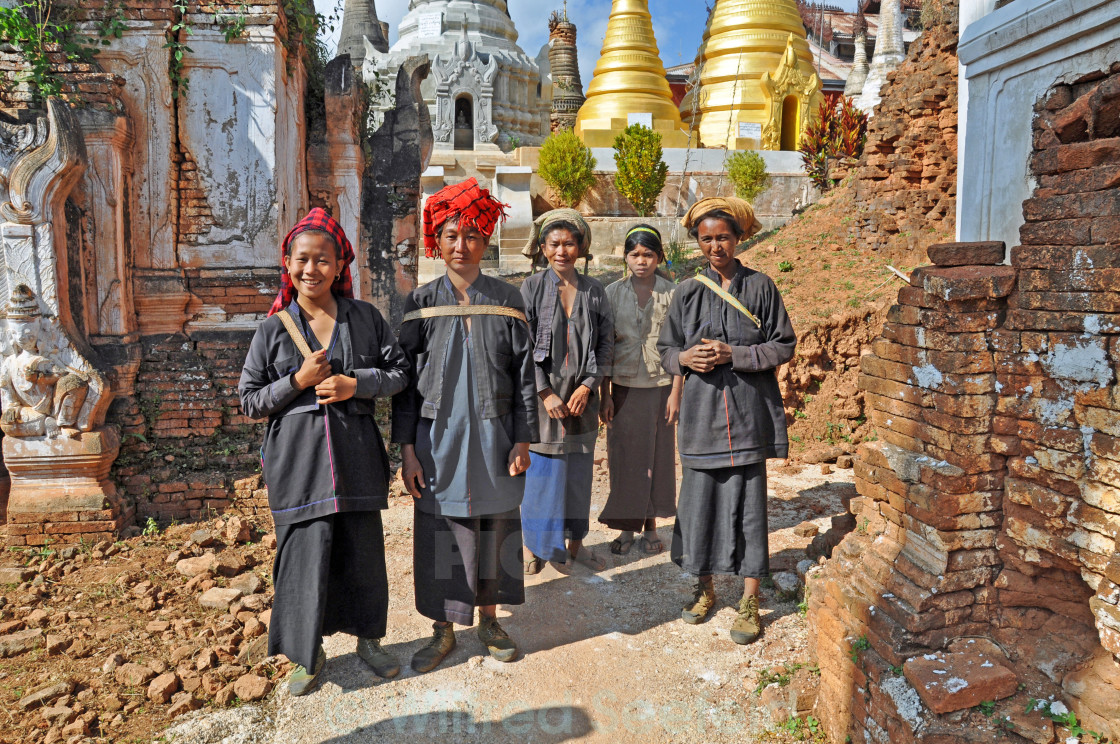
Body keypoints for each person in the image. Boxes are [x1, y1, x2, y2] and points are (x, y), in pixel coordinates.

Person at [239, 208, 410, 695]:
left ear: (340, 266)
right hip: (298, 464)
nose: (310, 270)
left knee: (362, 554)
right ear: (288, 265)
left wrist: (356, 383)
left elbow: (400, 374)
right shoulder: (273, 330)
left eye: (322, 260)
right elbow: (249, 400)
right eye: (302, 260)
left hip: (356, 458)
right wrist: (298, 380)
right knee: (302, 559)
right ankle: (305, 654)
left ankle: (370, 641)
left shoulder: (365, 318)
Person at [393, 178, 537, 673]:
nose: (461, 245)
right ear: (437, 238)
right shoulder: (420, 303)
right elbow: (406, 385)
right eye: (451, 234)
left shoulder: (508, 299)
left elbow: (524, 377)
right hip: (438, 441)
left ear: (486, 240)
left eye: (472, 235)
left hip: (497, 438)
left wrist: (523, 438)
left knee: (495, 526)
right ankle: (443, 627)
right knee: (442, 528)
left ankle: (491, 621)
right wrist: (407, 450)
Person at [657, 197, 796, 645]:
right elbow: (664, 350)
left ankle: (750, 600)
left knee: (750, 512)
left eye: (723, 237)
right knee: (698, 509)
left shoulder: (761, 287)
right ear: (697, 243)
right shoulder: (686, 292)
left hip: (747, 415)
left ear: (738, 239)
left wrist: (733, 354)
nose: (715, 246)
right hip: (700, 418)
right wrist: (685, 357)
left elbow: (783, 345)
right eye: (706, 239)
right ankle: (705, 589)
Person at [519, 209, 614, 574]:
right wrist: (545, 392)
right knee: (542, 477)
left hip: (582, 405)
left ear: (581, 247)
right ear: (543, 248)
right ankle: (536, 547)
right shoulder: (531, 288)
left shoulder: (594, 290)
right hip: (544, 405)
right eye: (554, 244)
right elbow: (521, 348)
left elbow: (606, 344)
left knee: (578, 477)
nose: (562, 251)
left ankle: (575, 544)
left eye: (569, 243)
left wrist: (589, 386)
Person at [598, 225, 682, 555]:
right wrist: (605, 394)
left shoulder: (673, 293)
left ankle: (650, 527)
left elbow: (679, 345)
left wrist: (676, 392)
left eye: (648, 254)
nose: (641, 260)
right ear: (625, 258)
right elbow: (605, 347)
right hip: (622, 389)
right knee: (624, 459)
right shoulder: (612, 293)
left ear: (658, 257)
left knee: (657, 459)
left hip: (660, 388)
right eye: (634, 254)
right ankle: (625, 529)